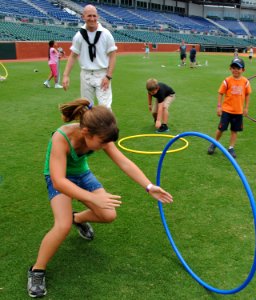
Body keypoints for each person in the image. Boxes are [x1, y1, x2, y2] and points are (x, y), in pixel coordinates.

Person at [27, 98, 173, 298]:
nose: (106, 146)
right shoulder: (61, 138)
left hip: (82, 174)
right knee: (61, 225)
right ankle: (37, 270)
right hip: (59, 177)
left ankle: (77, 218)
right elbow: (59, 181)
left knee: (108, 215)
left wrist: (148, 186)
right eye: (102, 142)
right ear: (86, 133)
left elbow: (124, 162)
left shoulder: (100, 135)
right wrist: (92, 198)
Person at [62, 4, 117, 109]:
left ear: (98, 16)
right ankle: (89, 126)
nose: (92, 19)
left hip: (102, 74)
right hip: (86, 75)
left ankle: (107, 126)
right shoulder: (79, 36)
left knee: (105, 108)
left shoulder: (106, 34)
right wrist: (65, 75)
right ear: (83, 17)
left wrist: (108, 76)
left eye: (94, 16)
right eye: (89, 16)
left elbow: (113, 55)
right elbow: (73, 56)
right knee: (86, 108)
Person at [207, 58, 251, 159]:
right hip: (226, 110)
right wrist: (219, 107)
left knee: (234, 130)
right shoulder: (227, 81)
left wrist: (246, 108)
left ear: (243, 70)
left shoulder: (245, 82)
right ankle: (214, 143)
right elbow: (220, 93)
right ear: (230, 69)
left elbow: (248, 94)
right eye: (233, 68)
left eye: (238, 68)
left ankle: (231, 148)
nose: (235, 70)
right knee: (221, 129)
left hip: (238, 111)